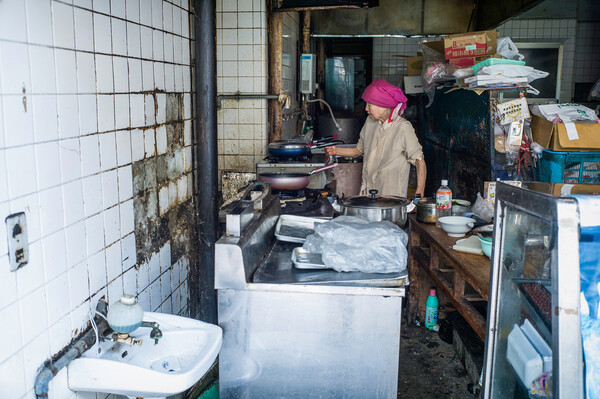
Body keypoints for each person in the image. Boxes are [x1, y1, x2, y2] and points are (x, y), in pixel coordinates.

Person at [325, 79, 426, 198]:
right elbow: (359, 150)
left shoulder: (403, 128)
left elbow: (420, 161)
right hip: (367, 194)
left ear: (383, 105)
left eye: (370, 105)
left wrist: (419, 194)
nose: (366, 109)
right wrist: (335, 151)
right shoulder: (370, 122)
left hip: (391, 198)